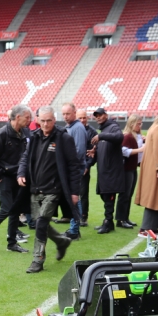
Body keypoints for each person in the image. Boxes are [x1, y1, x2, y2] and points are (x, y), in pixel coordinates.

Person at [17, 106, 79, 273]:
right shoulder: (34, 137)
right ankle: (61, 241)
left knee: (42, 222)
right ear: (37, 120)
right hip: (35, 188)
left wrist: (75, 192)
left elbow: (74, 166)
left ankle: (37, 259)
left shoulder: (63, 138)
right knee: (39, 224)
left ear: (54, 119)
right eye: (42, 120)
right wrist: (21, 173)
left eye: (49, 120)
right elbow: (25, 157)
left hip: (54, 189)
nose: (45, 124)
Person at [0, 105, 33, 253]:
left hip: (19, 178)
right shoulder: (2, 134)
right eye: (27, 117)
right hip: (4, 178)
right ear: (17, 117)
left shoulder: (26, 132)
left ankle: (12, 243)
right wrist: (0, 175)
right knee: (7, 208)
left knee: (16, 209)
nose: (29, 120)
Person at [90, 108, 128, 232]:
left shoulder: (113, 127)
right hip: (104, 171)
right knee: (105, 196)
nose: (98, 117)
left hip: (111, 171)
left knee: (109, 197)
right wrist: (94, 152)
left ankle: (108, 222)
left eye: (100, 115)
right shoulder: (104, 129)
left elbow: (118, 137)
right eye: (96, 116)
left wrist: (101, 136)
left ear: (106, 115)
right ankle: (108, 221)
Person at [61, 104, 87, 238]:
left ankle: (74, 230)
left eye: (68, 114)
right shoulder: (70, 127)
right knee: (73, 198)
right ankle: (74, 228)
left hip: (74, 169)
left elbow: (79, 150)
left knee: (74, 198)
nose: (65, 116)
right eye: (63, 114)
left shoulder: (77, 128)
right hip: (73, 168)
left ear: (74, 113)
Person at [117, 113, 143, 227]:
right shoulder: (127, 136)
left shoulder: (135, 136)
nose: (140, 126)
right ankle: (121, 219)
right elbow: (124, 151)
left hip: (132, 168)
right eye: (138, 124)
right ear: (132, 124)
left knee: (129, 194)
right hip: (126, 168)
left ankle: (125, 217)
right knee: (125, 195)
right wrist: (140, 150)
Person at [77, 108, 97, 226]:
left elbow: (93, 152)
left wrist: (87, 166)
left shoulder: (92, 132)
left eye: (84, 117)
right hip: (72, 167)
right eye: (80, 118)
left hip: (84, 167)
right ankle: (71, 215)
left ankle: (84, 217)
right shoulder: (70, 129)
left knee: (83, 193)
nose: (82, 120)